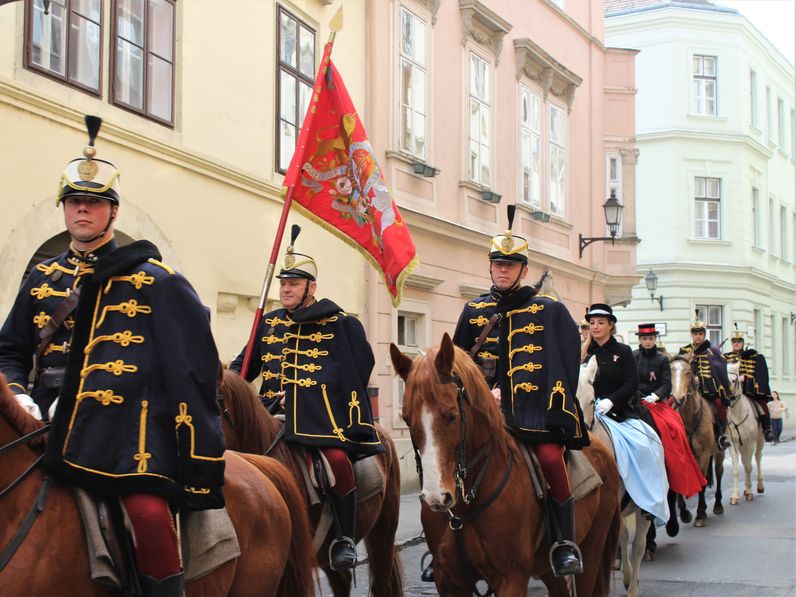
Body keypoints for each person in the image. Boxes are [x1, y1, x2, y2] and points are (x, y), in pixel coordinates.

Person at [0, 116, 225, 596]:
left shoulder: (156, 281)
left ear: (113, 212)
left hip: (124, 429)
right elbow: (10, 352)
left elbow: (191, 365)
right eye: (74, 202)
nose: (82, 211)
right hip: (40, 421)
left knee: (145, 511)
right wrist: (20, 397)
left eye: (94, 203)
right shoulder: (40, 277)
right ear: (64, 209)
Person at [229, 225, 383, 571]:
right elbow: (243, 367)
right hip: (266, 414)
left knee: (338, 460)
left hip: (319, 419)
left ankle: (343, 537)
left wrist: (305, 395)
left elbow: (357, 370)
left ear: (311, 288)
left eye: (293, 284)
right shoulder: (267, 324)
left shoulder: (340, 323)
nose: (285, 289)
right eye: (283, 283)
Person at [453, 205, 589, 578]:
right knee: (450, 465)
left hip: (534, 414)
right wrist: (480, 395)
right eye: (497, 263)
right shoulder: (474, 310)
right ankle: (447, 547)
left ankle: (563, 542)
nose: (502, 270)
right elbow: (458, 363)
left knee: (548, 459)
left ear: (523, 271)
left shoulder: (548, 311)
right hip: (481, 414)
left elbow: (563, 368)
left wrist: (541, 405)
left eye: (510, 265)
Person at [584, 306, 669, 526]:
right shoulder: (582, 352)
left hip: (616, 412)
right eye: (592, 323)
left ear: (610, 325)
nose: (595, 327)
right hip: (584, 411)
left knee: (642, 446)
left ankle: (646, 500)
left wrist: (612, 400)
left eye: (600, 322)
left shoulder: (622, 351)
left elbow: (631, 382)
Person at [633, 323, 706, 560]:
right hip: (635, 403)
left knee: (672, 426)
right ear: (640, 340)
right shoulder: (633, 357)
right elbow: (629, 381)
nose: (647, 342)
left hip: (656, 404)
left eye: (651, 338)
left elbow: (666, 382)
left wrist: (658, 395)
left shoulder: (662, 360)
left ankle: (674, 464)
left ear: (655, 339)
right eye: (644, 339)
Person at [678, 319, 731, 449]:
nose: (698, 336)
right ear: (692, 335)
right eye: (695, 333)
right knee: (675, 407)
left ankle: (720, 436)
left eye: (700, 333)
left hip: (710, 390)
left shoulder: (713, 351)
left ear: (704, 335)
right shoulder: (685, 351)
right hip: (689, 390)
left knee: (719, 406)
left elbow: (720, 370)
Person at [724, 328, 776, 442]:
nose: (736, 343)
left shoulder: (754, 356)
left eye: (739, 341)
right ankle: (721, 433)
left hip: (749, 390)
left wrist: (746, 379)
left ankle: (767, 429)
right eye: (734, 342)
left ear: (743, 343)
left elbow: (760, 375)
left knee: (761, 403)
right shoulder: (726, 357)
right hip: (730, 391)